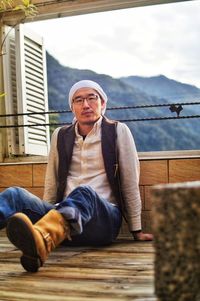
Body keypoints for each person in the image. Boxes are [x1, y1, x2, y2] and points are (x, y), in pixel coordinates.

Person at [0, 80, 153, 273]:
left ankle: (44, 239)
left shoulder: (117, 130)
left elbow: (130, 182)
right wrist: (45, 214)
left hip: (103, 220)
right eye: (79, 100)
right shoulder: (60, 134)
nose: (86, 105)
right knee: (15, 195)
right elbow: (52, 181)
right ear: (72, 107)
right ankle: (42, 235)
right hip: (63, 220)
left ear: (103, 103)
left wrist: (136, 230)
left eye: (92, 98)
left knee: (84, 192)